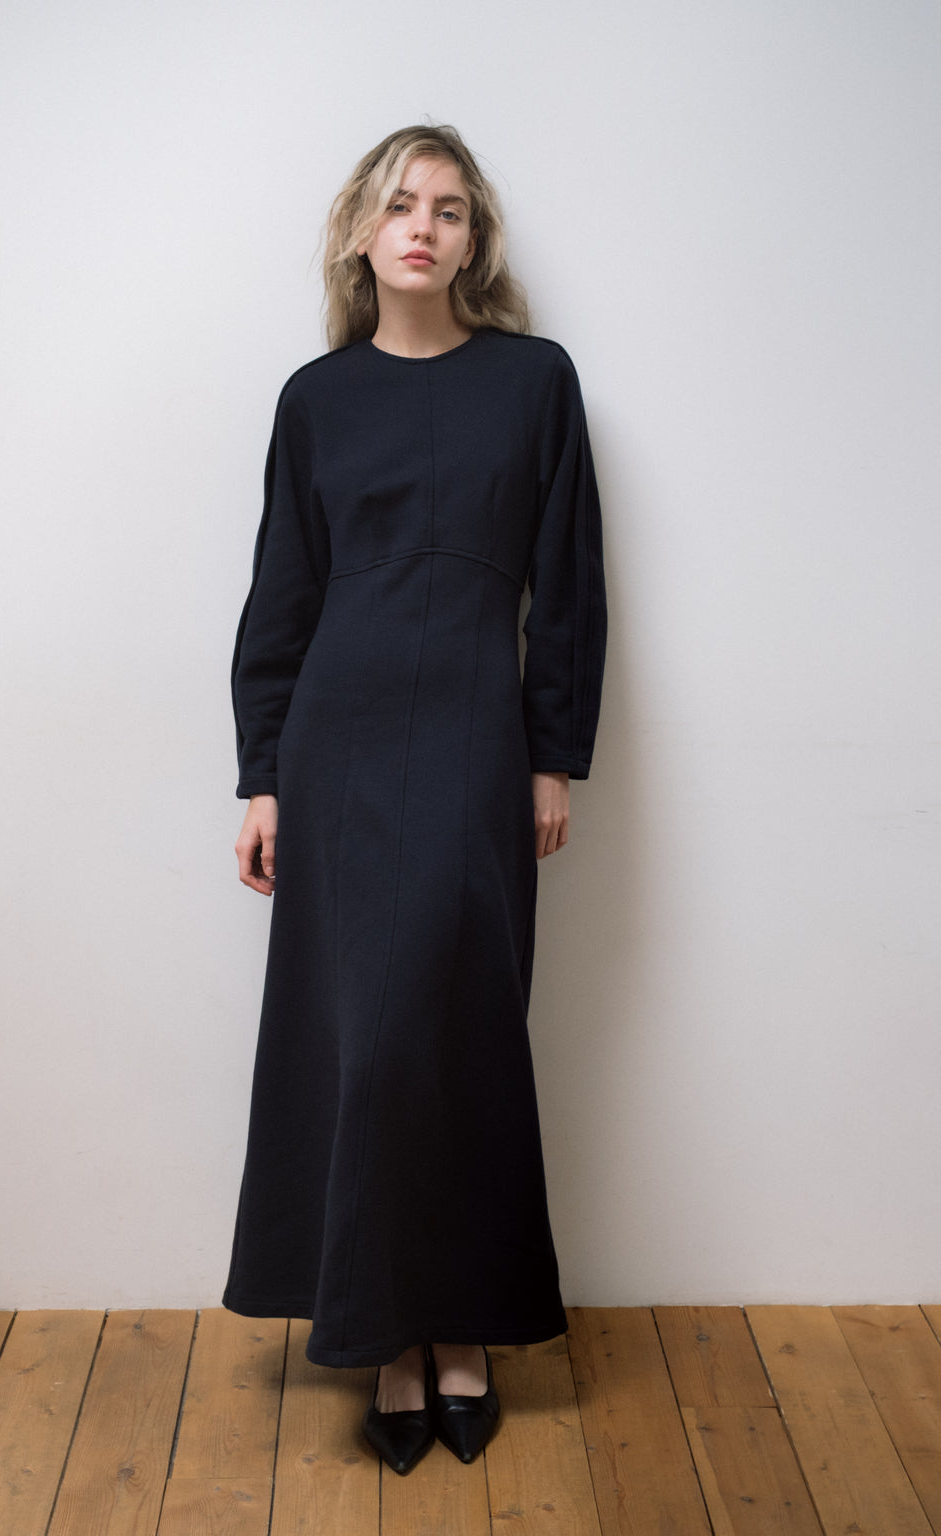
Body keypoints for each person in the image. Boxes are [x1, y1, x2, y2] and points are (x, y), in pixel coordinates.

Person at [223, 123, 606, 1476]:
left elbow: (567, 586)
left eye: (447, 207)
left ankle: (467, 1328)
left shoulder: (533, 384)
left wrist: (553, 753)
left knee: (464, 1035)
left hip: (473, 742)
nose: (423, 228)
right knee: (365, 1045)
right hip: (337, 745)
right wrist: (263, 773)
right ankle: (389, 1333)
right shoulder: (315, 399)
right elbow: (281, 599)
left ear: (473, 237)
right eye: (400, 205)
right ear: (362, 234)